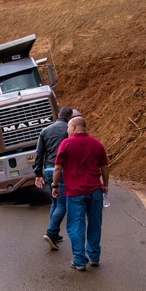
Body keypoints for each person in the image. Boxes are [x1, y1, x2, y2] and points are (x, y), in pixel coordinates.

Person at [51, 116, 109, 272]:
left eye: (69, 128)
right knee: (95, 224)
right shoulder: (97, 144)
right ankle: (94, 257)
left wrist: (55, 186)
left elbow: (57, 168)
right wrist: (105, 185)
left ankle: (79, 260)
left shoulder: (67, 144)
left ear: (75, 127)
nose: (68, 131)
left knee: (76, 225)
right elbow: (104, 168)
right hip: (95, 191)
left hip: (75, 193)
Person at [34, 106, 74, 250]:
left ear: (58, 115)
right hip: (62, 170)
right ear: (70, 117)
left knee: (55, 203)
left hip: (49, 170)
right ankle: (51, 233)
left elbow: (39, 154)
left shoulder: (45, 130)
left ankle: (55, 233)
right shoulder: (70, 130)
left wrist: (38, 174)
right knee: (62, 204)